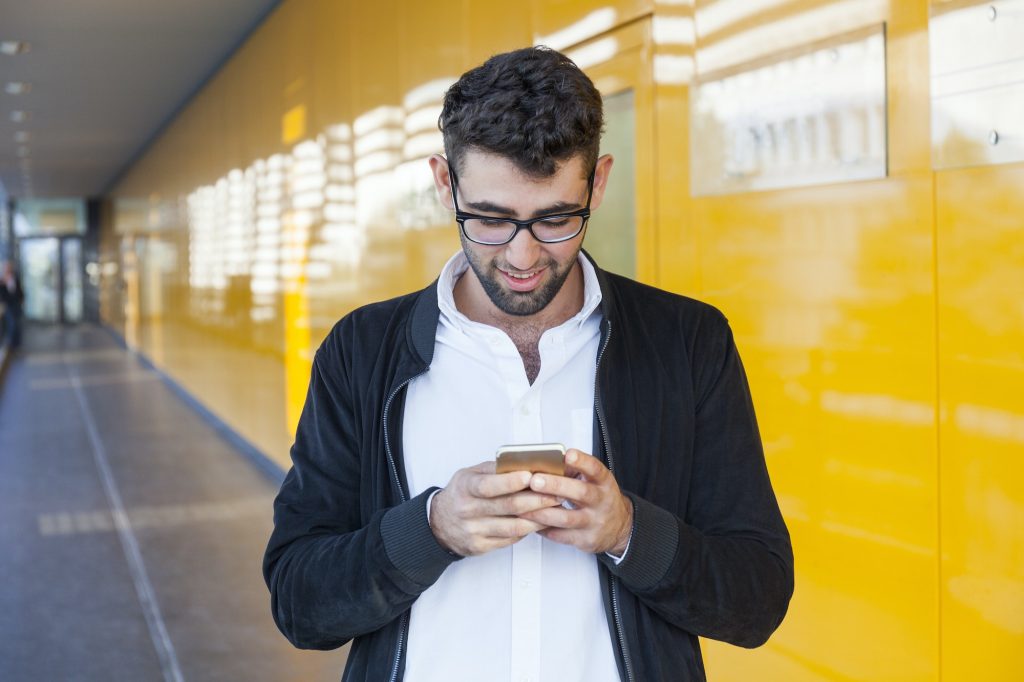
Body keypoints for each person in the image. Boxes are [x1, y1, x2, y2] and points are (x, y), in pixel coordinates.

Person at [264, 46, 793, 681]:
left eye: (556, 219)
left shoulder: (688, 342)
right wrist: (430, 530)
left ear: (596, 183)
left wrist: (629, 531)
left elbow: (757, 599)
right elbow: (300, 604)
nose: (521, 256)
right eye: (489, 219)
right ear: (444, 183)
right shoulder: (360, 351)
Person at [1, 260, 24, 349]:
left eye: (9, 267)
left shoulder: (15, 278)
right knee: (12, 323)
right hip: (8, 305)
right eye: (6, 268)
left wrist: (22, 299)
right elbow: (2, 295)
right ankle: (10, 343)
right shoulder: (2, 280)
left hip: (17, 304)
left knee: (18, 324)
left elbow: (20, 291)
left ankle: (16, 344)